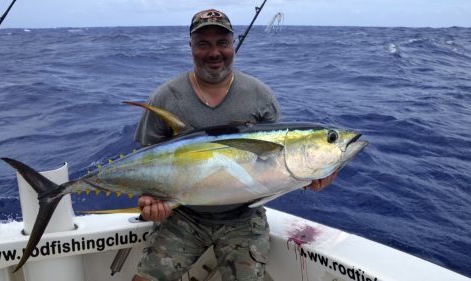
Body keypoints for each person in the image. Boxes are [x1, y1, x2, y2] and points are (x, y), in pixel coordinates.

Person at [132, 9, 337, 281]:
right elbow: (147, 161)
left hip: (244, 218)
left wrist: (314, 175)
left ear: (232, 44)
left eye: (222, 43)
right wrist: (151, 200)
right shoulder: (166, 97)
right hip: (183, 216)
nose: (214, 52)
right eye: (203, 43)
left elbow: (280, 167)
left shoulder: (259, 95)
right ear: (190, 46)